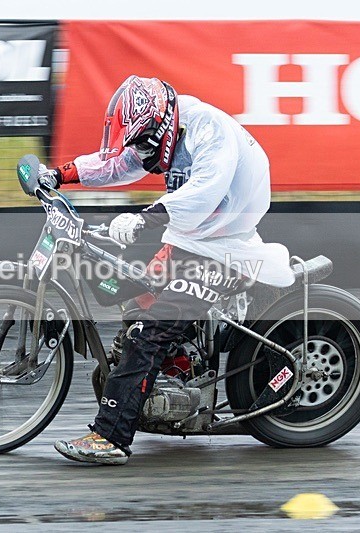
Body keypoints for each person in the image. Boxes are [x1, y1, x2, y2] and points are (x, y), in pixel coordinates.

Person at [39, 75, 296, 465]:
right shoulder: (161, 130)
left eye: (144, 143)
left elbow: (205, 190)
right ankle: (173, 380)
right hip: (192, 236)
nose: (140, 153)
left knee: (149, 330)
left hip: (227, 249)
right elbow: (117, 163)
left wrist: (146, 218)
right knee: (130, 296)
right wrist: (60, 175)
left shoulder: (209, 129)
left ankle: (111, 437)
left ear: (163, 125)